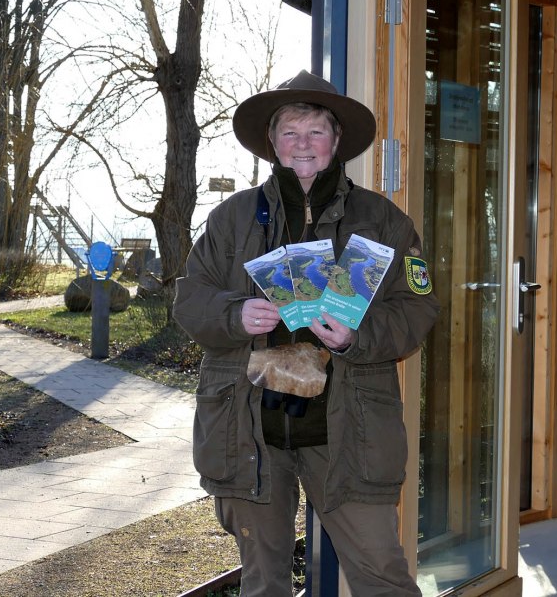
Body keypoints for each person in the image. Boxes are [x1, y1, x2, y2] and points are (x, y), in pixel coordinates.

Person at [173, 70, 440, 596]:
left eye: (315, 131)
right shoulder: (232, 218)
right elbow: (190, 298)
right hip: (249, 429)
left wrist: (356, 336)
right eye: (290, 132)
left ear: (336, 141)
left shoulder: (383, 220)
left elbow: (418, 308)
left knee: (382, 575)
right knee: (263, 583)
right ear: (272, 142)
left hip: (351, 430)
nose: (302, 144)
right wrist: (234, 315)